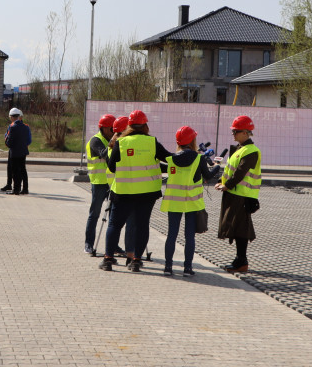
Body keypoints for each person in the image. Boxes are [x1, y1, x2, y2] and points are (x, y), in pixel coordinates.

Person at [99, 110, 171, 272]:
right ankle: (136, 261)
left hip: (123, 192)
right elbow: (168, 158)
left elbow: (111, 167)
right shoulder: (152, 142)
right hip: (147, 193)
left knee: (115, 225)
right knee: (142, 225)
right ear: (145, 126)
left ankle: (108, 259)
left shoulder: (121, 142)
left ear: (129, 126)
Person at [160, 125, 210, 277]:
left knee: (171, 235)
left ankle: (168, 267)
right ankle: (187, 268)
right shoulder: (200, 159)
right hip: (192, 203)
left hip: (173, 202)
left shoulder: (171, 159)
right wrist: (216, 166)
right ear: (192, 141)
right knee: (189, 237)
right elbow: (208, 176)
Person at [215, 115, 262, 273]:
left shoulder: (251, 151)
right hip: (235, 194)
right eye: (233, 131)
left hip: (242, 195)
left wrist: (227, 186)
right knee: (237, 228)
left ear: (245, 133)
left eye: (235, 131)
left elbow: (241, 172)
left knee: (241, 229)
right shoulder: (240, 149)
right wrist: (222, 183)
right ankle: (239, 259)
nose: (233, 134)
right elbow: (231, 171)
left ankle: (241, 261)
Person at [84, 114, 117, 254]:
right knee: (95, 214)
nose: (114, 132)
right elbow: (105, 154)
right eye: (112, 129)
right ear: (104, 128)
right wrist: (115, 144)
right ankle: (88, 244)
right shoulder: (95, 141)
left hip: (112, 183)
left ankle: (113, 246)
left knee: (113, 217)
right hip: (99, 183)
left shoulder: (112, 140)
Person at [5, 107, 31, 195]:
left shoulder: (12, 127)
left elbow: (9, 142)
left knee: (15, 171)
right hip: (23, 151)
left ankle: (16, 189)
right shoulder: (25, 127)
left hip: (15, 153)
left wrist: (7, 142)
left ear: (12, 117)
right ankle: (25, 188)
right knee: (23, 170)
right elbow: (28, 140)